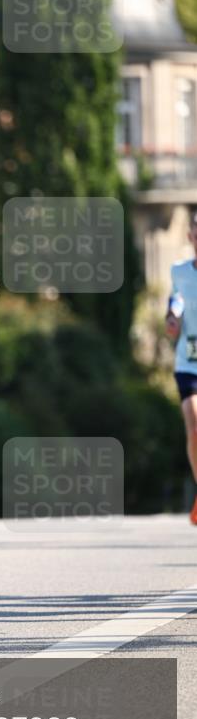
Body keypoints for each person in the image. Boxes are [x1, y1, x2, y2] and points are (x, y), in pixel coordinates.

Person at [166, 208, 197, 525]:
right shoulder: (180, 270)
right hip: (188, 360)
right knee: (194, 426)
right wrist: (172, 320)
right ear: (190, 237)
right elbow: (175, 300)